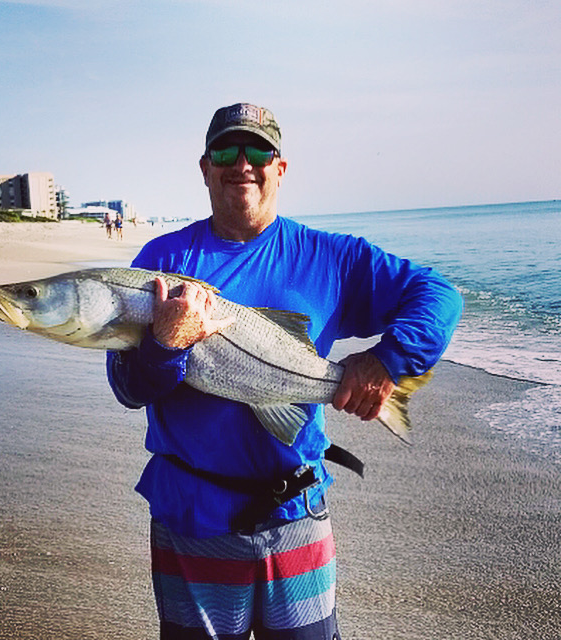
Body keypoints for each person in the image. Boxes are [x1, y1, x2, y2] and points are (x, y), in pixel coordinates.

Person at [107, 103, 462, 639]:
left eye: (258, 151)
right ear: (205, 167)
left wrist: (386, 359)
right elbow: (128, 388)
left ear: (281, 167)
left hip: (296, 515)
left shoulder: (329, 257)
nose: (242, 163)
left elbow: (439, 295)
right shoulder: (161, 262)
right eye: (226, 151)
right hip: (192, 518)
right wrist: (163, 345)